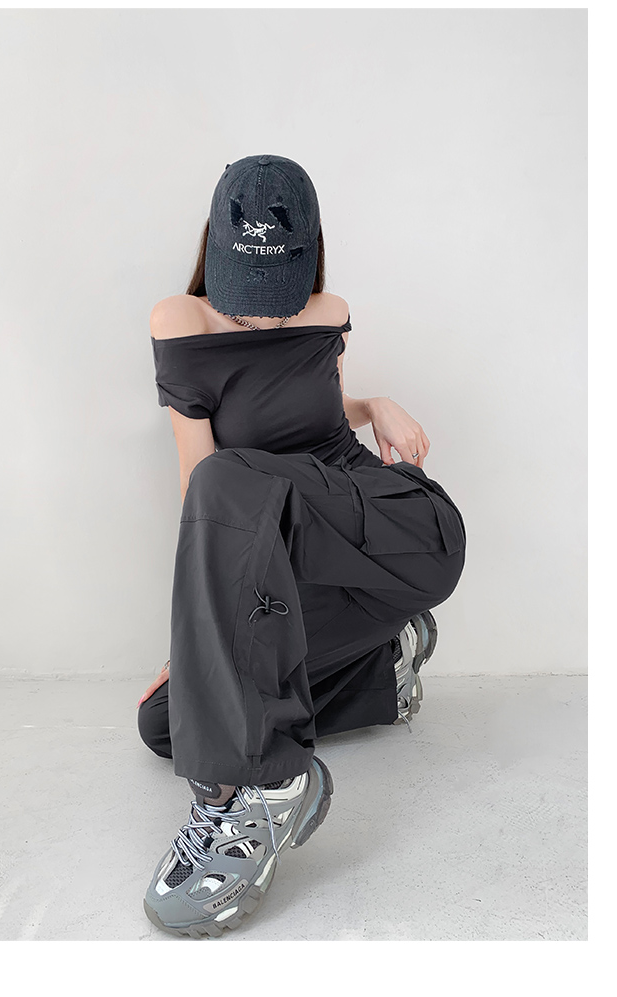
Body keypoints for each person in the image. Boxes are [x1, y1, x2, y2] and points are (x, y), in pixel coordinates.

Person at [137, 154, 466, 938]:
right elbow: (196, 486)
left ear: (307, 257)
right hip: (286, 563)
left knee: (227, 480)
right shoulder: (179, 322)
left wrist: (373, 404)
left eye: (275, 289)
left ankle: (265, 790)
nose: (261, 313)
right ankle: (383, 665)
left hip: (389, 525)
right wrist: (198, 641)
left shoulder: (329, 311)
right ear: (214, 251)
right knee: (167, 723)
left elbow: (318, 409)